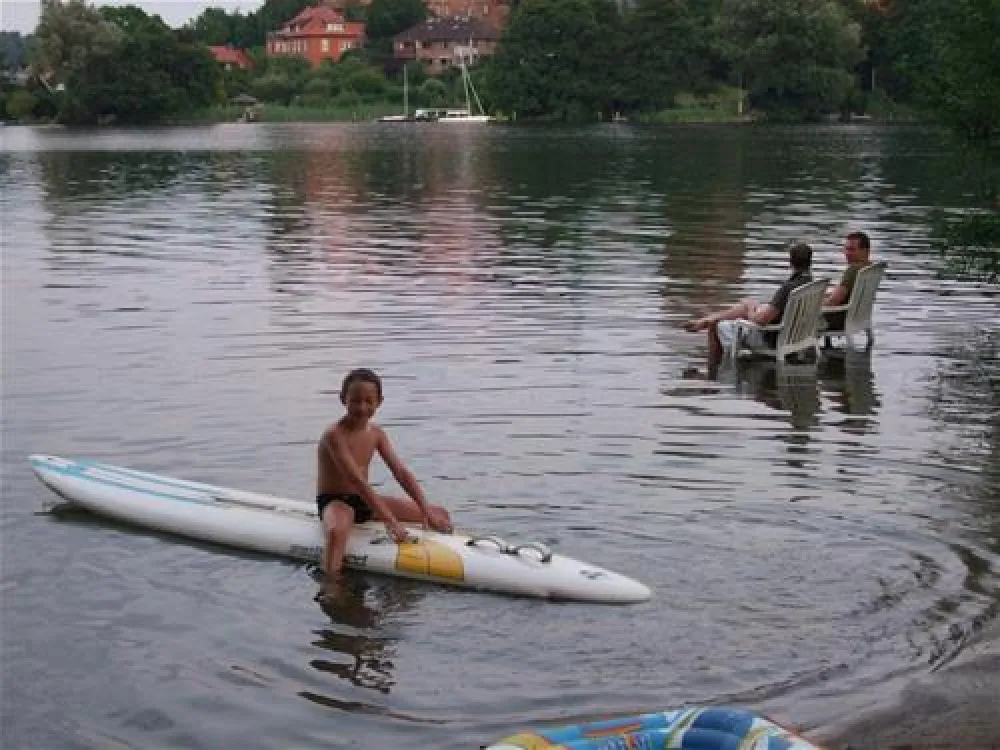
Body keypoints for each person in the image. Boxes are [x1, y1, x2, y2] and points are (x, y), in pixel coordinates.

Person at [317, 368, 453, 581]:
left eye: (369, 401)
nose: (362, 407)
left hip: (365, 500)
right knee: (337, 532)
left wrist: (426, 510)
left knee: (440, 513)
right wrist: (390, 520)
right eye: (355, 401)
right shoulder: (334, 436)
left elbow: (401, 472)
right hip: (336, 502)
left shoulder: (377, 434)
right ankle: (331, 585)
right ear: (343, 399)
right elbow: (356, 480)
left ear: (379, 402)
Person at [683, 241, 814, 358]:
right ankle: (704, 320)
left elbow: (761, 321)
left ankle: (714, 367)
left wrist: (751, 309)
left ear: (790, 262)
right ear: (810, 262)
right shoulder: (810, 284)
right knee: (745, 307)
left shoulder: (788, 288)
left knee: (717, 325)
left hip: (771, 338)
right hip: (793, 335)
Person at [822, 231, 872, 330]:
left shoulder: (853, 270)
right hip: (858, 317)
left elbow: (833, 301)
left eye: (852, 250)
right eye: (846, 249)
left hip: (838, 319)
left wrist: (814, 306)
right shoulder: (870, 268)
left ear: (865, 251)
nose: (847, 253)